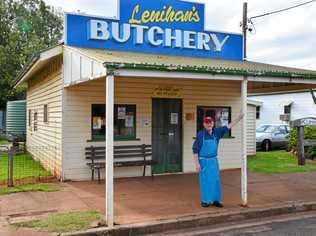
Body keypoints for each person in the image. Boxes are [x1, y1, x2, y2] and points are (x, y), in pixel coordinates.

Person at [192, 114, 244, 208]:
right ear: (204, 124)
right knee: (205, 181)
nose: (209, 124)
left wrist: (239, 118)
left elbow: (229, 126)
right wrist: (197, 164)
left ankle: (216, 200)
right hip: (203, 161)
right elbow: (195, 149)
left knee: (216, 180)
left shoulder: (217, 132)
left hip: (214, 161)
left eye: (210, 122)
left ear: (213, 124)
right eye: (207, 123)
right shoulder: (200, 135)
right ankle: (205, 201)